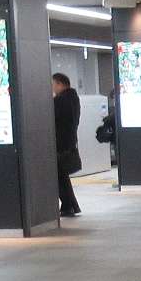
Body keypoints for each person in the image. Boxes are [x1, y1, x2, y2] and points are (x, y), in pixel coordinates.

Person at [52, 71, 82, 216]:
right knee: (62, 176)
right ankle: (70, 206)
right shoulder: (74, 98)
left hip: (59, 144)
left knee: (60, 176)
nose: (53, 89)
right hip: (69, 142)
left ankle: (68, 206)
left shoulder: (60, 101)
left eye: (54, 85)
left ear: (60, 84)